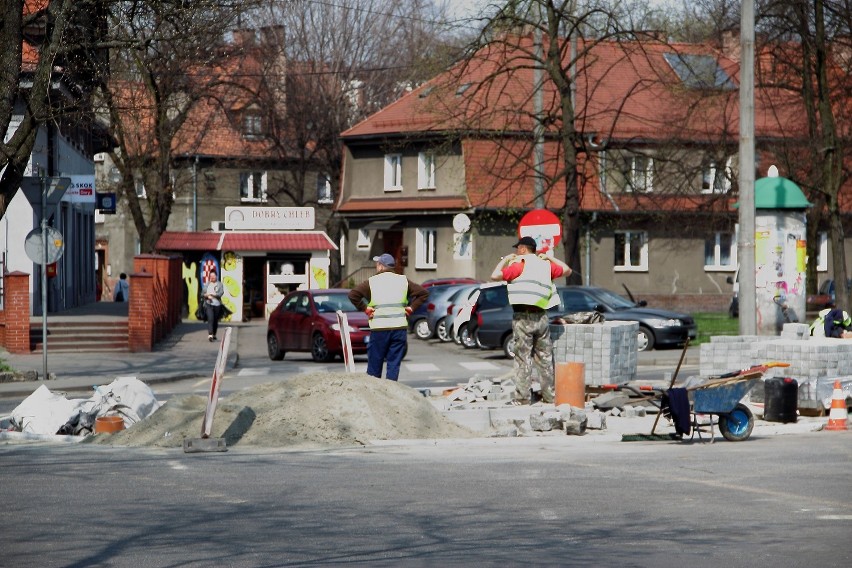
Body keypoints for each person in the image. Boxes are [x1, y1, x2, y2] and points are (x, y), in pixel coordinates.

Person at [491, 236, 572, 404]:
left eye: (516, 249)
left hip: (523, 317)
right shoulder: (545, 266)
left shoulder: (519, 266)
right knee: (545, 358)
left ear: (522, 249)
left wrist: (506, 260)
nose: (515, 252)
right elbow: (567, 270)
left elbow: (494, 276)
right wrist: (548, 256)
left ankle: (522, 398)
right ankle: (550, 397)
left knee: (523, 358)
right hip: (542, 317)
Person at [349, 253, 429, 381]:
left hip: (379, 329)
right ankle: (391, 393)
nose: (376, 266)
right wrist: (411, 308)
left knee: (375, 365)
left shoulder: (372, 282)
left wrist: (365, 308)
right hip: (399, 328)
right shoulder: (403, 280)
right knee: (393, 364)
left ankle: (375, 394)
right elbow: (423, 293)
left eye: (377, 264)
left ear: (381, 266)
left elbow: (353, 295)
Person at [203, 272, 225, 342]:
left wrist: (214, 295)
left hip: (217, 304)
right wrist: (206, 296)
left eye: (214, 276)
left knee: (215, 320)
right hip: (208, 304)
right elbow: (202, 293)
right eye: (211, 276)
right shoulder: (207, 284)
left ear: (216, 276)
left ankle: (214, 334)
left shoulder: (219, 284)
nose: (212, 277)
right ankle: (210, 334)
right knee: (210, 318)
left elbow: (221, 293)